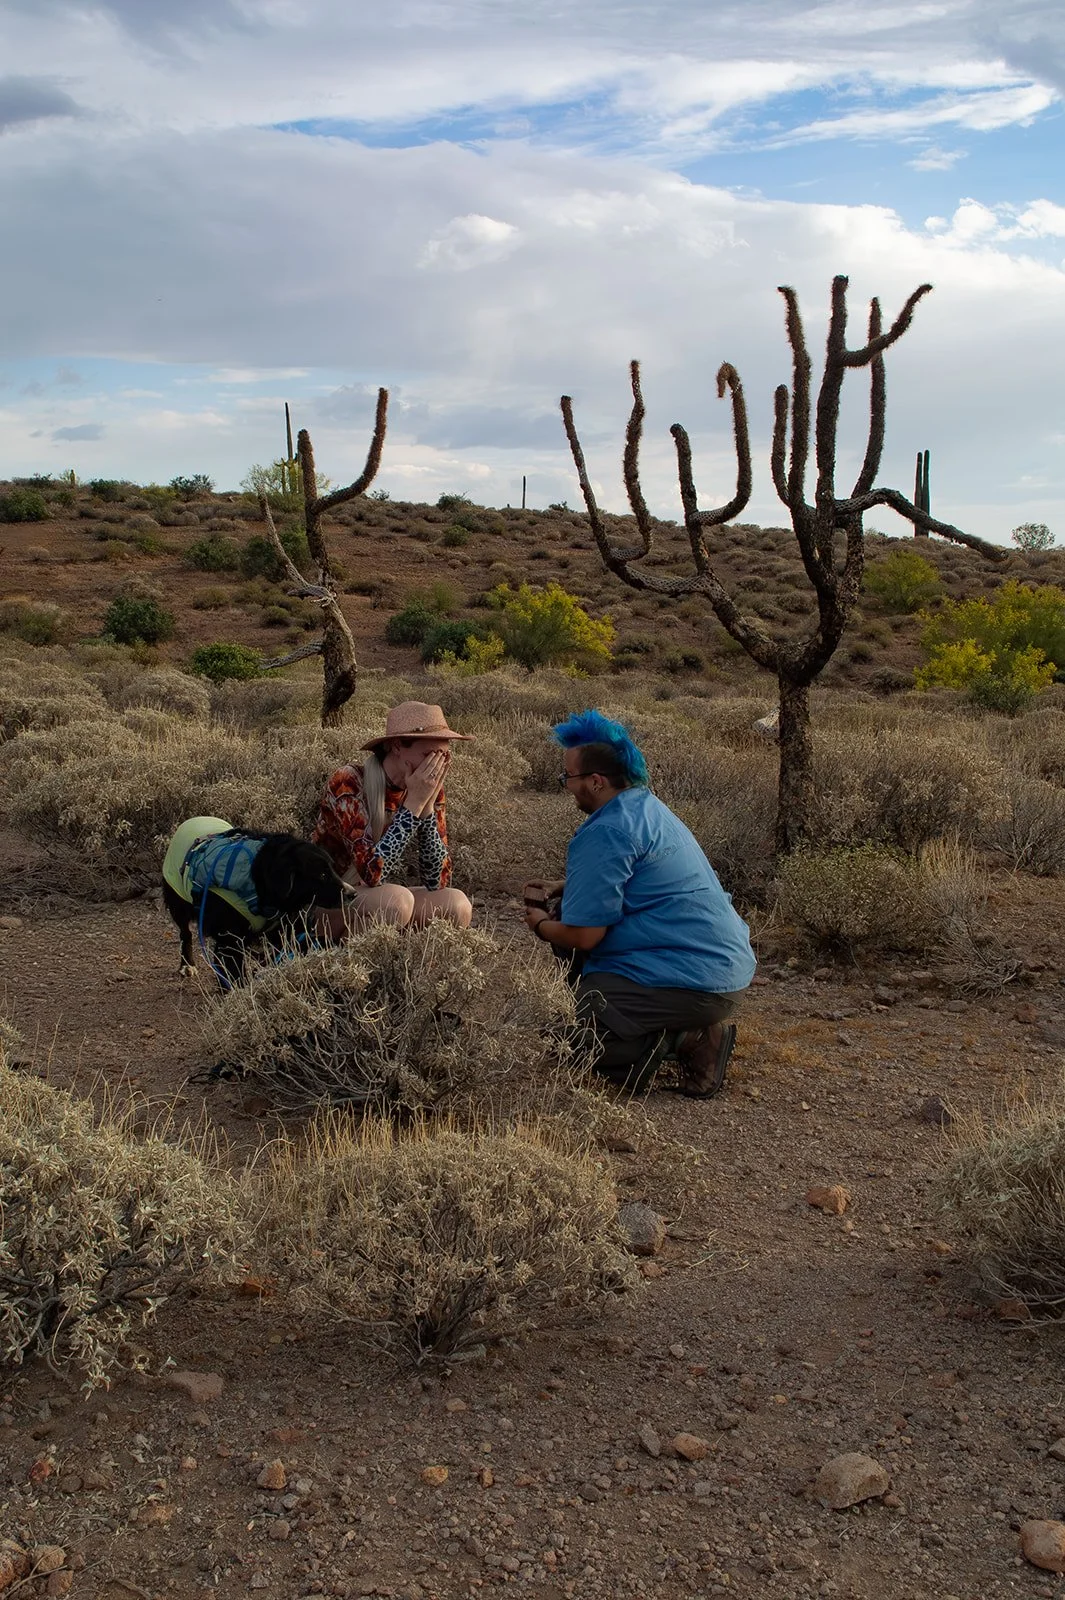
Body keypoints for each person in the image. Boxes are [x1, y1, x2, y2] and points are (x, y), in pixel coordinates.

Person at [523, 709, 756, 1096]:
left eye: (568, 777)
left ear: (595, 781)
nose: (566, 786)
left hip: (692, 982)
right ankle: (665, 1027)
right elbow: (645, 875)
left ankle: (691, 1040)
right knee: (571, 919)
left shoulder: (607, 830)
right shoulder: (647, 808)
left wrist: (539, 925)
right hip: (722, 971)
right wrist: (569, 885)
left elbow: (585, 937)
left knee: (564, 1042)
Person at [313, 701, 474, 936]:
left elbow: (438, 880)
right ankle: (348, 967)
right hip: (326, 899)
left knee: (455, 904)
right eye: (430, 755)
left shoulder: (427, 788)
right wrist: (413, 805)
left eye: (444, 756)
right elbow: (371, 874)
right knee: (395, 902)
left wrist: (427, 808)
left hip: (369, 898)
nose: (437, 766)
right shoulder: (349, 781)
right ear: (397, 746)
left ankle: (417, 970)